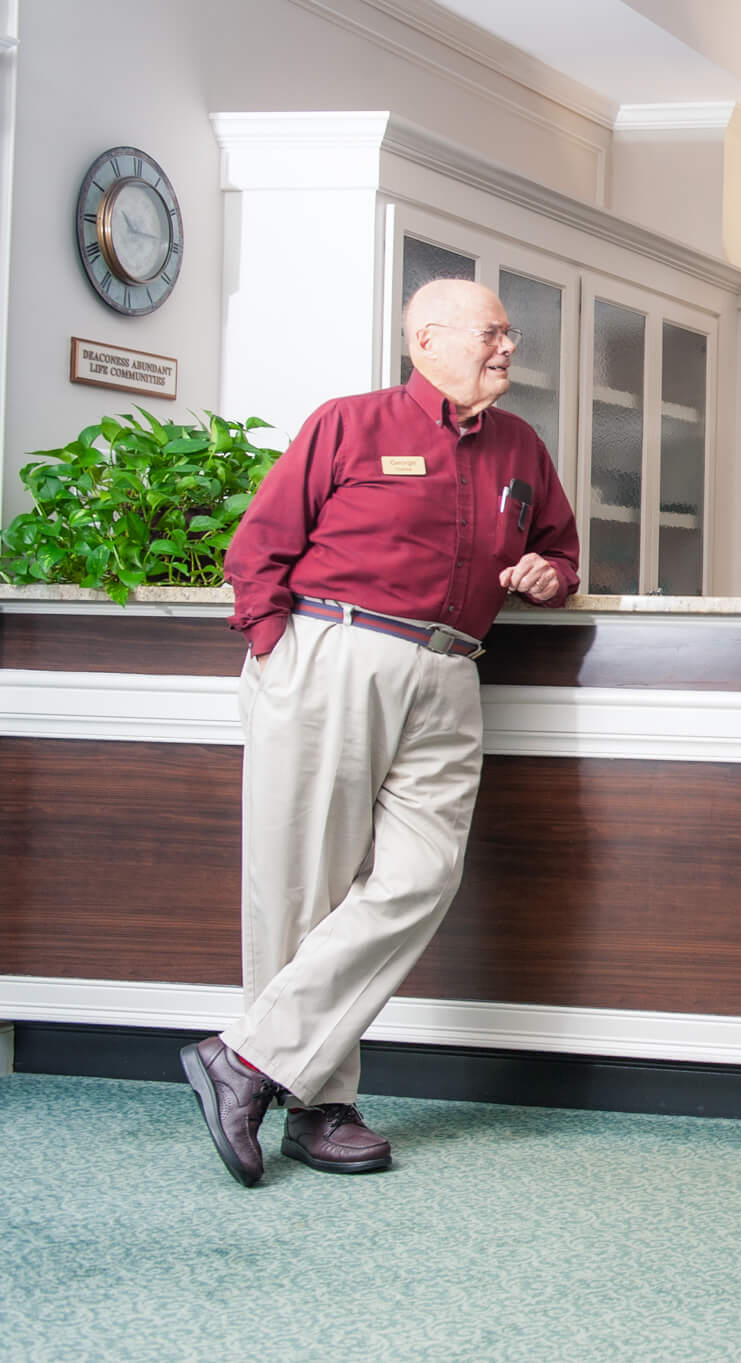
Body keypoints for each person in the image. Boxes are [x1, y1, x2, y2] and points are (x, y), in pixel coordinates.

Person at [181, 279, 580, 1186]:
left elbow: (561, 546)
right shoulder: (351, 423)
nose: (507, 349)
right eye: (492, 334)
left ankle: (244, 1062)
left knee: (421, 874)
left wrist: (552, 574)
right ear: (427, 340)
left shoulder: (520, 446)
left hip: (451, 672)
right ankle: (321, 1110)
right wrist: (280, 652)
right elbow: (260, 551)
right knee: (300, 890)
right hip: (336, 652)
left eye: (509, 335)